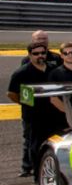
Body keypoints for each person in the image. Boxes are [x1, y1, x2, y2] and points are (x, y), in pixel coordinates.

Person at [8, 43, 57, 177]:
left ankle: (52, 170)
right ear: (30, 55)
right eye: (36, 54)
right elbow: (12, 94)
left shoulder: (53, 69)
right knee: (34, 145)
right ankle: (37, 172)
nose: (40, 56)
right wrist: (24, 103)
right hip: (33, 116)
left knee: (54, 142)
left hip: (53, 114)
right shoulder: (22, 73)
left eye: (43, 53)